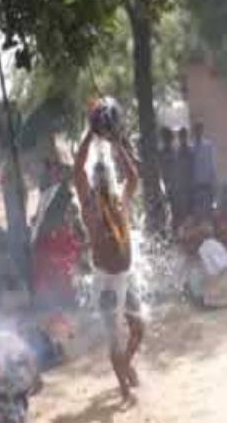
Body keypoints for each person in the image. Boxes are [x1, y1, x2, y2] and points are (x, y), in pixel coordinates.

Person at [75, 104, 142, 400]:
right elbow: (78, 169)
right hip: (106, 281)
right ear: (94, 180)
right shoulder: (89, 205)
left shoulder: (120, 201)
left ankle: (126, 364)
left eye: (105, 175)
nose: (102, 178)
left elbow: (134, 176)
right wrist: (91, 135)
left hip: (127, 275)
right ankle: (124, 390)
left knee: (139, 328)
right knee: (115, 338)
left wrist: (117, 142)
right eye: (98, 175)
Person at [191, 122, 217, 216]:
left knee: (208, 210)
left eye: (200, 129)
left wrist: (213, 183)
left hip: (207, 184)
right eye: (196, 130)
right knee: (198, 212)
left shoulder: (208, 146)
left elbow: (212, 164)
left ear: (202, 131)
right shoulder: (191, 148)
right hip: (196, 185)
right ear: (194, 132)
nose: (198, 132)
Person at [158, 127, 179, 232]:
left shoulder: (175, 152)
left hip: (176, 186)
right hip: (166, 184)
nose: (166, 140)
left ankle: (174, 229)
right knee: (167, 209)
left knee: (176, 210)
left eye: (168, 138)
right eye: (164, 138)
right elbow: (160, 169)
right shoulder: (161, 153)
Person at [175, 127, 194, 228]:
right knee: (184, 211)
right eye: (181, 136)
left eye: (184, 136)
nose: (183, 138)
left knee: (193, 210)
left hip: (192, 185)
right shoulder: (177, 152)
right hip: (182, 187)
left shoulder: (192, 151)